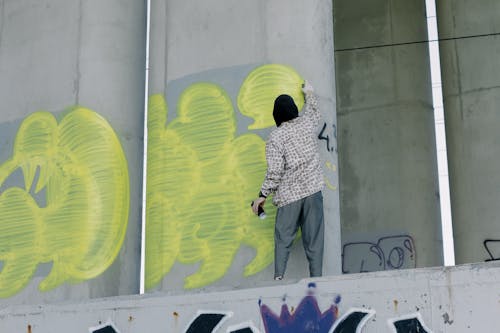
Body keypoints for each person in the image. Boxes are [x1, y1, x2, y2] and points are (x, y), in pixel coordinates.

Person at [252, 80, 324, 280]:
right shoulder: (307, 124)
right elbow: (314, 112)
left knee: (283, 240)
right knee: (314, 241)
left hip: (289, 197)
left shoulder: (275, 137)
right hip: (312, 192)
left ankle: (279, 278)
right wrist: (309, 92)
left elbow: (274, 172)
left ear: (277, 115)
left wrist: (262, 196)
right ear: (293, 109)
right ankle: (317, 280)